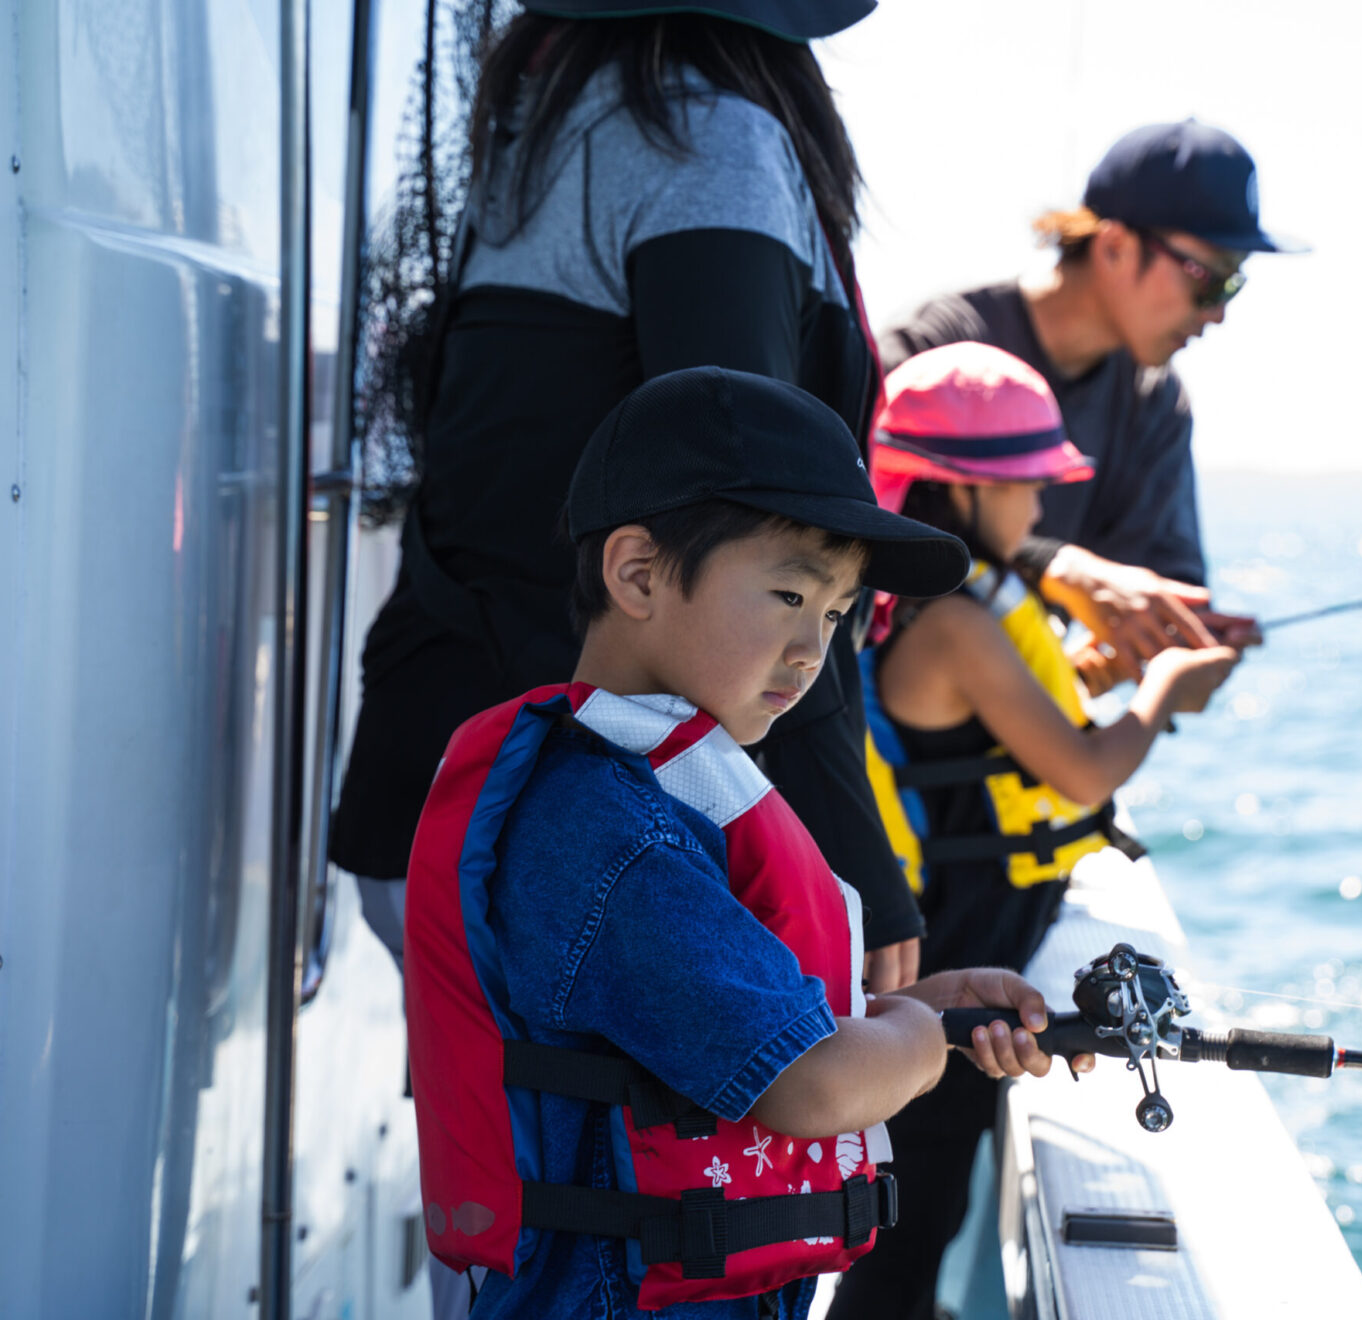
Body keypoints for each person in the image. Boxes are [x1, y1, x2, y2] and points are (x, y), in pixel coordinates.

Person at [405, 366, 1087, 1320]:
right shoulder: (611, 831)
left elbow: (736, 1025)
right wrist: (920, 1040)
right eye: (787, 594)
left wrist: (917, 1008)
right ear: (638, 574)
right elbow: (810, 1086)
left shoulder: (649, 792)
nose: (813, 650)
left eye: (837, 614)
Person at [331, 0, 934, 1001]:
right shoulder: (704, 133)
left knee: (485, 1103)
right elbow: (757, 513)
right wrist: (848, 855)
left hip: (449, 771)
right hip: (573, 831)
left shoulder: (552, 124)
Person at [827, 343, 1243, 1320]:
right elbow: (1086, 770)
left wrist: (1105, 676)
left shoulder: (939, 604)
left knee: (927, 1187)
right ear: (963, 487)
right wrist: (1166, 690)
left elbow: (1002, 728)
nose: (1041, 506)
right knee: (922, 1192)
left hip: (962, 921)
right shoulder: (957, 619)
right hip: (964, 933)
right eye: (1027, 484)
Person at [878, 119, 1295, 689]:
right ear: (1115, 247)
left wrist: (1178, 644)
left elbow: (1163, 586)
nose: (1217, 313)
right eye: (1210, 280)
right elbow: (856, 520)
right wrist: (1056, 565)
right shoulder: (935, 346)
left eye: (1233, 286)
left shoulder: (1156, 403)